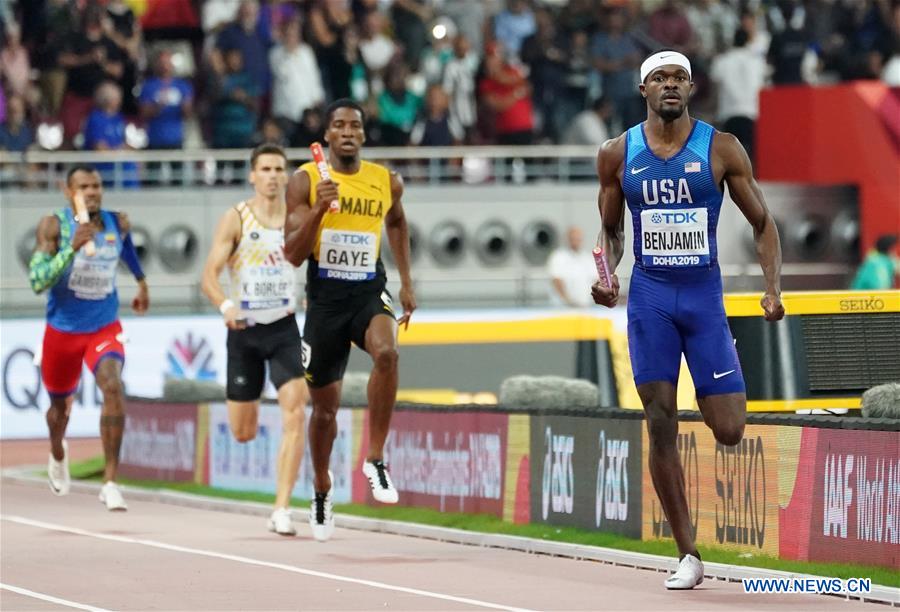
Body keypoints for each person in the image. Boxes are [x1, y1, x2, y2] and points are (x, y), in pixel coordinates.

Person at [591, 50, 784, 589]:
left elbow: (764, 224)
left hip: (702, 298)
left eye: (679, 78)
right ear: (643, 89)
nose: (670, 85)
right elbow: (610, 230)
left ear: (692, 88)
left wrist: (772, 288)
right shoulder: (616, 153)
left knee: (728, 429)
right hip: (651, 298)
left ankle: (709, 380)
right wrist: (608, 275)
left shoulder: (721, 148)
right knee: (658, 419)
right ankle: (687, 554)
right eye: (660, 78)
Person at [284, 98, 416, 542]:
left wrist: (407, 282)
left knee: (387, 353)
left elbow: (397, 224)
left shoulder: (385, 181)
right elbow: (292, 253)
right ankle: (322, 486)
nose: (346, 131)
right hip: (324, 300)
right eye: (337, 125)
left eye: (354, 125)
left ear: (362, 134)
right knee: (324, 411)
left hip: (367, 289)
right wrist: (321, 209)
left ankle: (375, 457)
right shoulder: (304, 180)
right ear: (326, 136)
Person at [200, 143, 309, 536]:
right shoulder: (236, 219)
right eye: (265, 169)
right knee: (243, 433)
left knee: (296, 409)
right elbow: (209, 275)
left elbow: (316, 260)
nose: (273, 176)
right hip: (243, 331)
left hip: (283, 327)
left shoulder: (298, 218)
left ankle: (282, 508)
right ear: (252, 175)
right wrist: (225, 305)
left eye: (280, 169)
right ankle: (258, 394)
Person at [29, 165, 150, 511]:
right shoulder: (54, 225)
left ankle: (110, 481)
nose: (93, 192)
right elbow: (37, 281)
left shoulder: (118, 221)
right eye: (83, 187)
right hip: (63, 331)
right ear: (69, 192)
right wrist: (70, 249)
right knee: (58, 410)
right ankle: (57, 450)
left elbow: (126, 251)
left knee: (113, 386)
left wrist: (142, 282)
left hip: (103, 327)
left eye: (96, 185)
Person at [547, 227, 597, 308]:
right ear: (567, 239)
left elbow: (596, 280)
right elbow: (557, 281)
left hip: (585, 307)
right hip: (562, 308)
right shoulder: (558, 257)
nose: (576, 241)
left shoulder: (588, 258)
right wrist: (569, 302)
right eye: (573, 238)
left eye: (578, 238)